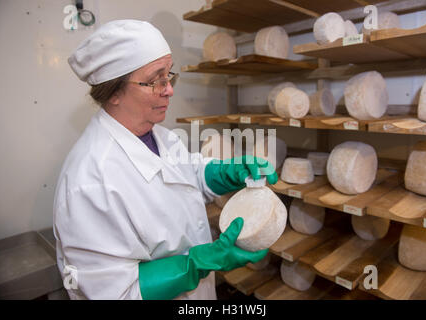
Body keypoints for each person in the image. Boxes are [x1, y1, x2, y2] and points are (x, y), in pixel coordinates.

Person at [53, 19, 278, 300]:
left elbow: (185, 176)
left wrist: (225, 172)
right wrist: (192, 265)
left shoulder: (158, 135)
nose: (169, 89)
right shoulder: (90, 181)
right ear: (113, 92)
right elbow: (112, 293)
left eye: (168, 75)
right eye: (155, 80)